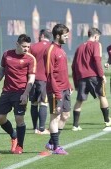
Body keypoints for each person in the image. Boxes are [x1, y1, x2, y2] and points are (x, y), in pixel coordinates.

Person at [0, 34, 36, 154]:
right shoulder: (7, 54)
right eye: (24, 46)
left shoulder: (30, 59)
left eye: (28, 47)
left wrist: (26, 94)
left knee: (19, 118)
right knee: (0, 118)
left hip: (21, 92)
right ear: (17, 44)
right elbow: (2, 71)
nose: (26, 49)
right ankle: (13, 135)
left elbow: (31, 78)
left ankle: (19, 146)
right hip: (6, 92)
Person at [71, 28, 111, 132]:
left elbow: (73, 65)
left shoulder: (79, 47)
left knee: (79, 100)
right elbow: (97, 60)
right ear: (96, 36)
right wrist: (102, 75)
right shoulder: (96, 45)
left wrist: (76, 80)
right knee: (102, 96)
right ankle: (107, 122)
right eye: (98, 37)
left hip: (81, 77)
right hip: (93, 76)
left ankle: (75, 125)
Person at [43, 24, 71, 155]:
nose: (67, 38)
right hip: (56, 90)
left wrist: (69, 85)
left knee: (65, 115)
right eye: (65, 35)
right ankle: (56, 147)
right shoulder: (51, 50)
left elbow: (63, 70)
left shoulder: (61, 49)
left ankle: (51, 142)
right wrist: (56, 92)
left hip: (65, 88)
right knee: (55, 117)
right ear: (58, 36)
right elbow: (49, 74)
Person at [29, 29, 51, 135]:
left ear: (41, 35)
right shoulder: (52, 47)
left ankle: (35, 128)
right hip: (44, 79)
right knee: (43, 103)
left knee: (33, 103)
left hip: (32, 78)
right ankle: (42, 129)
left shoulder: (33, 47)